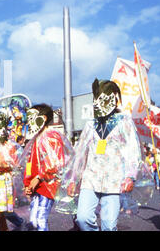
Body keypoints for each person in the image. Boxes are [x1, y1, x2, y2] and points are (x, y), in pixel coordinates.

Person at [63, 79, 144, 231]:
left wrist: (130, 176)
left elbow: (132, 150)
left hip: (114, 181)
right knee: (83, 217)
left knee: (109, 224)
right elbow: (80, 153)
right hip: (90, 179)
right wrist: (73, 179)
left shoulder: (124, 121)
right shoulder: (90, 124)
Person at [23, 104, 71, 231]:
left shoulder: (51, 137)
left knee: (40, 219)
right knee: (34, 221)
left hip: (47, 185)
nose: (29, 122)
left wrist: (37, 179)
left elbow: (55, 163)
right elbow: (30, 163)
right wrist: (28, 183)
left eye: (31, 119)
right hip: (36, 186)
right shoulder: (36, 139)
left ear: (43, 118)